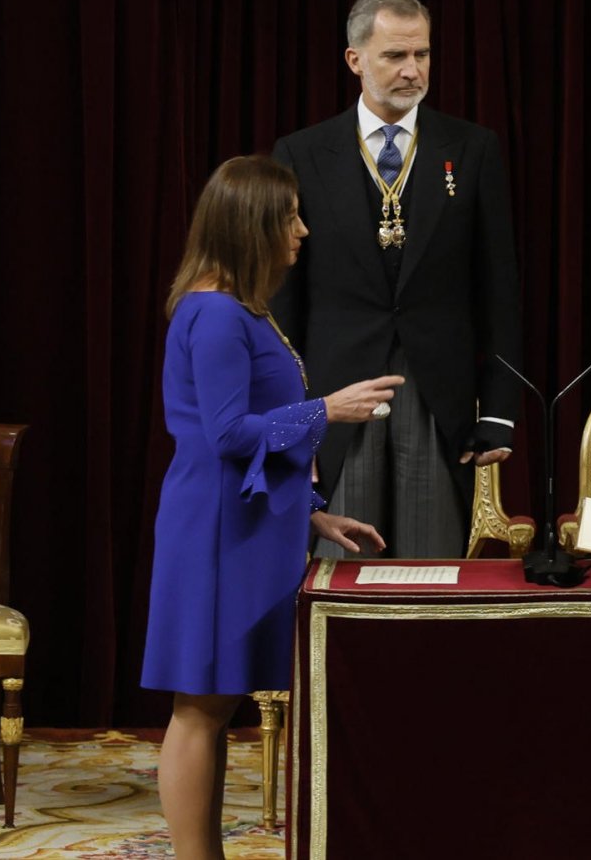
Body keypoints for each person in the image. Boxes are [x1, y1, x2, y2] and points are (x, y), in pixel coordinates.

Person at [141, 156, 400, 859]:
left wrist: (312, 513)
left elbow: (243, 431)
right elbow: (226, 434)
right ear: (252, 225)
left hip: (241, 522)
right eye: (289, 216)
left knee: (216, 703)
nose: (303, 230)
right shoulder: (217, 314)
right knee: (199, 707)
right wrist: (329, 409)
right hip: (216, 532)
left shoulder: (237, 309)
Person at [272, 0, 523, 558]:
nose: (413, 70)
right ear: (355, 60)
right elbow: (284, 299)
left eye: (423, 55)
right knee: (342, 569)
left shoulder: (473, 148)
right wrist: (291, 413)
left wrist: (501, 409)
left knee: (429, 570)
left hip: (438, 392)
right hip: (336, 391)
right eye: (395, 56)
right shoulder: (302, 153)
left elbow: (499, 289)